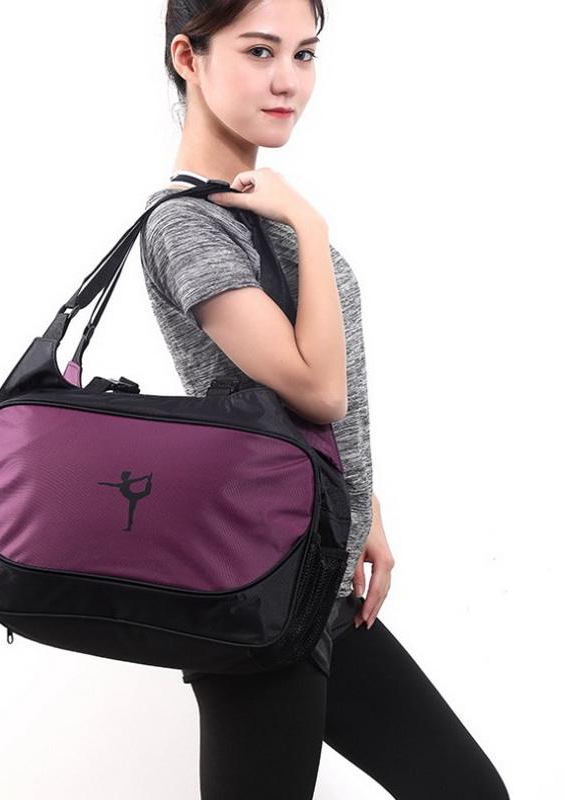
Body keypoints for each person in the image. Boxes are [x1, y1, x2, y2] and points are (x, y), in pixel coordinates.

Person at [139, 1, 510, 798]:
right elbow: (316, 385)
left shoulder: (256, 211)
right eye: (260, 51)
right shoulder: (188, 227)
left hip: (318, 577)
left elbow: (299, 411)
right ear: (188, 58)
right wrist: (308, 224)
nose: (288, 81)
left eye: (304, 54)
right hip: (259, 594)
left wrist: (360, 501)